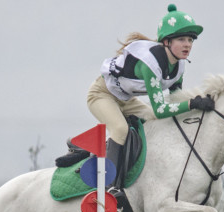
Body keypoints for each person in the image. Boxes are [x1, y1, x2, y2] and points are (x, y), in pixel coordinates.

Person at [56, 4, 215, 193]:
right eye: (181, 39)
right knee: (120, 129)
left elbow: (172, 102)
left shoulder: (179, 67)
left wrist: (196, 105)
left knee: (154, 122)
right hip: (101, 95)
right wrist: (192, 103)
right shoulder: (151, 65)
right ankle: (108, 187)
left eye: (190, 39)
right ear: (166, 42)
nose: (187, 44)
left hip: (126, 100)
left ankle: (82, 147)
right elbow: (161, 109)